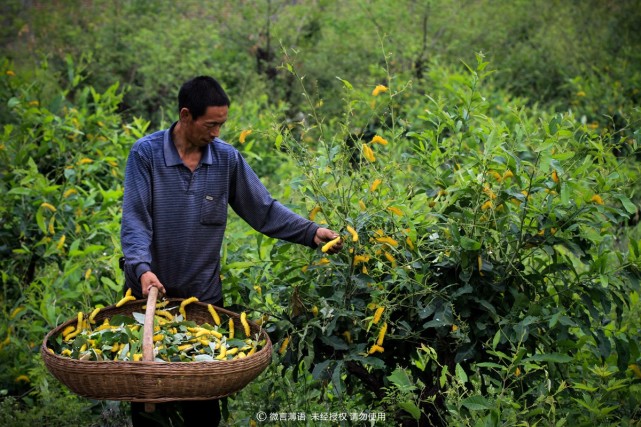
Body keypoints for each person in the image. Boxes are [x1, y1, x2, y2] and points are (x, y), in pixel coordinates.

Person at [120, 75, 343, 426]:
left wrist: (312, 232)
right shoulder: (146, 154)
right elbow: (135, 220)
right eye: (211, 124)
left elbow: (264, 210)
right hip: (149, 300)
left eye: (222, 125)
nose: (217, 133)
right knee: (151, 402)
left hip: (204, 301)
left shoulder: (226, 160)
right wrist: (141, 268)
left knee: (202, 407)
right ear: (185, 115)